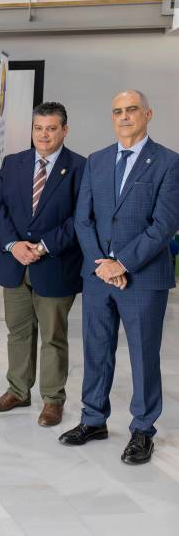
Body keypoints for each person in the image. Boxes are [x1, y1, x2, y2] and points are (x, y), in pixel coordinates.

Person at [60, 90, 179, 465]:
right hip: (98, 275)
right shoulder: (96, 160)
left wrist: (122, 263)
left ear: (148, 114)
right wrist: (102, 263)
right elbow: (83, 219)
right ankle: (93, 419)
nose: (124, 116)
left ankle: (143, 430)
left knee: (144, 355)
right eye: (117, 111)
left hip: (143, 277)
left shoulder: (168, 162)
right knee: (96, 349)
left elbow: (164, 225)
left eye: (131, 110)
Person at [0, 102, 85, 426]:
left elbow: (80, 219)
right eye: (38, 128)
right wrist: (13, 245)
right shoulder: (13, 163)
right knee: (18, 332)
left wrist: (43, 246)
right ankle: (17, 390)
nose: (43, 135)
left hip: (55, 265)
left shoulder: (80, 167)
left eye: (51, 128)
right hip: (16, 264)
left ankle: (53, 400)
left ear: (64, 130)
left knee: (53, 336)